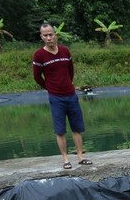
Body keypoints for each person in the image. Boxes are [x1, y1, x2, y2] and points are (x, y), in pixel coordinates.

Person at [32, 23, 92, 170]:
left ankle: (80, 156)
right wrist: (51, 88)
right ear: (41, 37)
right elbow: (37, 77)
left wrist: (68, 84)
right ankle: (66, 159)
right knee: (60, 130)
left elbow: (71, 71)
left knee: (77, 128)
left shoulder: (65, 51)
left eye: (50, 34)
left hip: (71, 95)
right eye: (45, 35)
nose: (48, 38)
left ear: (55, 35)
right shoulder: (39, 55)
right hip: (56, 98)